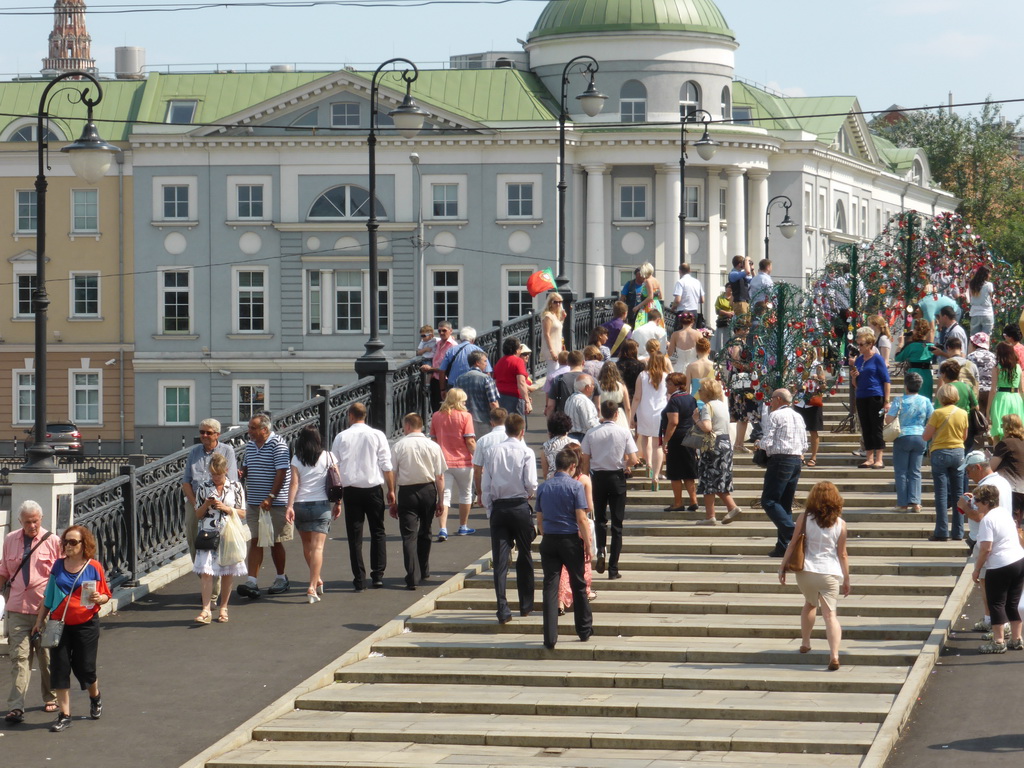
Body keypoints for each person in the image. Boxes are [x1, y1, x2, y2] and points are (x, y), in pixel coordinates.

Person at [33, 525, 111, 732]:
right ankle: (64, 715)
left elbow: (106, 595)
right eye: (65, 541)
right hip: (59, 625)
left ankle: (95, 697)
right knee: (59, 668)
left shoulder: (94, 567)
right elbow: (48, 597)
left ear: (84, 544)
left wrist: (98, 598)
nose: (68, 545)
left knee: (85, 667)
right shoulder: (58, 566)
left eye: (73, 542)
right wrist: (39, 621)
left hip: (86, 624)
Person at [778, 482, 850, 671]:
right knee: (830, 615)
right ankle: (834, 655)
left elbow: (793, 543)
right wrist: (847, 578)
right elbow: (842, 554)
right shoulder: (841, 524)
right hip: (830, 572)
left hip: (806, 570)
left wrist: (782, 566)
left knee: (810, 604)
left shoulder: (804, 518)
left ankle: (806, 642)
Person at [1, 500, 62, 724]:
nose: (32, 526)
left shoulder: (53, 541)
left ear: (41, 519)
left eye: (35, 521)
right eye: (27, 522)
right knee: (19, 658)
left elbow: (60, 576)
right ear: (20, 522)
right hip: (17, 608)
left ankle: (51, 696)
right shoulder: (10, 540)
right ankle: (16, 706)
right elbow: (4, 571)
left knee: (46, 657)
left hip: (43, 610)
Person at [332, 402, 395, 590]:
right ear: (364, 415)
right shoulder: (377, 435)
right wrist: (391, 490)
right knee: (378, 531)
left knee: (355, 535)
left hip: (350, 490)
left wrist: (337, 498)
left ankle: (359, 578)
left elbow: (334, 467)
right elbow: (386, 465)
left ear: (350, 416)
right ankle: (378, 574)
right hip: (373, 487)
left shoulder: (341, 437)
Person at [481, 414, 538, 624]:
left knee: (500, 561)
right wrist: (529, 492)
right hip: (519, 506)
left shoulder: (492, 451)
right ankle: (525, 604)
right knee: (525, 555)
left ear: (506, 430)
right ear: (522, 431)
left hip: (499, 508)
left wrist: (490, 509)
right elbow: (531, 482)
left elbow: (486, 484)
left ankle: (503, 609)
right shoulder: (526, 452)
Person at [536, 447, 594, 650]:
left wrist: (546, 534)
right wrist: (587, 543)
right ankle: (584, 629)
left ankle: (550, 636)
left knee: (550, 587)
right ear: (571, 466)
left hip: (550, 539)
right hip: (569, 539)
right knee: (578, 583)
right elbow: (581, 518)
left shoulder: (544, 487)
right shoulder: (575, 487)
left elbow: (540, 519)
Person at [181, 418, 238, 609]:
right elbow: (186, 482)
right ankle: (208, 581)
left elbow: (231, 481)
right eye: (202, 432)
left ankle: (213, 593)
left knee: (216, 544)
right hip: (196, 503)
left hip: (219, 504)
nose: (204, 435)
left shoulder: (227, 451)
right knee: (194, 541)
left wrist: (219, 503)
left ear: (217, 434)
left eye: (208, 432)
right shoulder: (194, 452)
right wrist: (196, 502)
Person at [581, 399, 639, 580]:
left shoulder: (591, 433)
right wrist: (625, 464)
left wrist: (585, 477)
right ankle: (613, 568)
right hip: (616, 477)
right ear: (616, 414)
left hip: (598, 477)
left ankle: (600, 552)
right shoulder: (623, 432)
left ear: (601, 414)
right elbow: (634, 459)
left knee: (599, 519)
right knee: (617, 524)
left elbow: (585, 459)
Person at [390, 413, 447, 591]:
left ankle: (412, 575)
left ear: (407, 426)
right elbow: (440, 476)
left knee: (409, 535)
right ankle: (424, 569)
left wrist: (391, 493)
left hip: (407, 491)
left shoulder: (399, 446)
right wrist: (441, 500)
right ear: (421, 426)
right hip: (428, 490)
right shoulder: (433, 446)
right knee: (426, 530)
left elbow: (393, 472)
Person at [238, 413, 292, 599]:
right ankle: (251, 581)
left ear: (264, 429)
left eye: (253, 428)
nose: (249, 431)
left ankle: (281, 578)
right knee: (256, 539)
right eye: (249, 427)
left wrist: (271, 497)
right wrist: (242, 472)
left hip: (275, 503)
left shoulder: (278, 444)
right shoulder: (251, 446)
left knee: (275, 541)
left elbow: (282, 472)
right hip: (254, 501)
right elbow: (247, 467)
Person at [285, 425, 340, 603]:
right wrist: (338, 503)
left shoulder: (296, 458)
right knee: (318, 548)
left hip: (301, 505)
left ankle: (317, 580)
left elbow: (293, 484)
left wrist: (290, 506)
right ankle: (311, 586)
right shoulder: (329, 456)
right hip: (320, 505)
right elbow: (337, 482)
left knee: (307, 547)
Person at [967, 484, 1024, 653]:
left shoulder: (987, 520)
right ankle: (1017, 638)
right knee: (1012, 603)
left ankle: (998, 642)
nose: (974, 504)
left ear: (985, 501)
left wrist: (977, 569)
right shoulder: (1004, 513)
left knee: (996, 603)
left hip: (1000, 565)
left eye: (976, 500)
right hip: (1019, 560)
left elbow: (986, 548)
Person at [193, 453, 248, 622]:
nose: (215, 477)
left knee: (227, 572)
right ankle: (206, 609)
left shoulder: (236, 487)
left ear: (226, 470)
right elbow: (198, 514)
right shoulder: (203, 487)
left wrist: (226, 508)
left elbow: (243, 513)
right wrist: (207, 504)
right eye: (212, 474)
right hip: (208, 534)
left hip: (228, 533)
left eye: (218, 474)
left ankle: (223, 607)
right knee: (206, 572)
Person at [759, 389, 808, 557]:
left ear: (778, 399)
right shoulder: (798, 416)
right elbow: (804, 443)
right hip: (796, 459)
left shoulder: (775, 416)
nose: (770, 402)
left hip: (780, 459)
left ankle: (793, 532)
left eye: (771, 398)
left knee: (769, 501)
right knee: (785, 504)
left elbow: (768, 439)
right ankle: (783, 546)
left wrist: (759, 445)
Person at [692, 379, 742, 524]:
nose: (698, 392)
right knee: (719, 479)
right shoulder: (721, 405)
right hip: (725, 443)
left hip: (713, 446)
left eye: (700, 389)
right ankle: (718, 512)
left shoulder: (708, 407)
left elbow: (707, 427)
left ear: (707, 392)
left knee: (709, 480)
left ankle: (715, 514)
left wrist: (696, 419)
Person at [923, 383, 969, 541]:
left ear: (941, 397)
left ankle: (941, 531)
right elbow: (964, 436)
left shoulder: (937, 413)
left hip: (940, 452)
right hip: (958, 452)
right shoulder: (963, 413)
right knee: (958, 493)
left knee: (941, 494)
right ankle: (958, 531)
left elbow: (926, 436)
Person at [431, 387, 477, 541]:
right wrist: (477, 457)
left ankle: (442, 529)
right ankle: (463, 526)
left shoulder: (436, 416)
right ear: (459, 401)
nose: (465, 402)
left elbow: (434, 440)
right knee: (466, 494)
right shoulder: (466, 416)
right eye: (463, 399)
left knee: (444, 495)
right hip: (463, 461)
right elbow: (469, 441)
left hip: (443, 462)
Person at [884, 372, 934, 513]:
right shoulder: (925, 400)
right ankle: (916, 502)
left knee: (901, 471)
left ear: (906, 386)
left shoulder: (899, 400)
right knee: (915, 471)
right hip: (920, 436)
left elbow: (889, 420)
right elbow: (932, 418)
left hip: (903, 436)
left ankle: (902, 503)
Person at [557, 442, 597, 612]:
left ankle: (561, 599)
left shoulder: (556, 479)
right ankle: (585, 591)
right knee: (585, 561)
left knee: (563, 567)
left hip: (562, 524)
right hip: (580, 524)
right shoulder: (584, 479)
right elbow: (589, 507)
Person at [850, 327, 890, 469]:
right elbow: (856, 384)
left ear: (870, 345)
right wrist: (854, 378)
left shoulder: (877, 359)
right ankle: (869, 457)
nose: (859, 347)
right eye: (858, 344)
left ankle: (879, 458)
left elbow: (886, 380)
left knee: (876, 427)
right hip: (862, 396)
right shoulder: (859, 360)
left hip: (875, 395)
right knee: (865, 427)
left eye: (861, 344)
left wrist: (886, 401)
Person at [631, 339, 670, 484]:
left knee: (645, 439)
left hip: (644, 411)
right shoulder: (667, 377)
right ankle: (656, 475)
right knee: (657, 445)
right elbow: (669, 397)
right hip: (661, 412)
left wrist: (631, 415)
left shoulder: (642, 375)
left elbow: (636, 397)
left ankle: (648, 465)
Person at [661, 372, 699, 512]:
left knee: (675, 473)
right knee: (688, 471)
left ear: (678, 385)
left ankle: (678, 502)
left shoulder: (674, 400)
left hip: (677, 438)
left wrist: (665, 441)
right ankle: (693, 500)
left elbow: (673, 422)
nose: (667, 386)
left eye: (669, 384)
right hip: (689, 436)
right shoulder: (690, 398)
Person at [794, 347, 827, 467]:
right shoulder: (797, 365)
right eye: (802, 353)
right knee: (798, 429)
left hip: (812, 401)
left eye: (806, 353)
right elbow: (793, 382)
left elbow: (824, 385)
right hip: (799, 401)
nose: (804, 356)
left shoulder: (817, 366)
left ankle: (813, 457)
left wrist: (817, 380)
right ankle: (801, 454)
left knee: (813, 430)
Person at [727, 323, 757, 452]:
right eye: (745, 327)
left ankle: (739, 443)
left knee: (743, 412)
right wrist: (749, 368)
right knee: (743, 410)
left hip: (740, 378)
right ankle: (738, 443)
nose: (747, 330)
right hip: (741, 379)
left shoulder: (739, 341)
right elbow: (735, 360)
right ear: (738, 329)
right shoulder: (737, 342)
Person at [991, 413, 1024, 525]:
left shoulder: (1006, 443)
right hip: (1022, 487)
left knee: (1012, 522)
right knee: (1019, 521)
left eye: (1002, 425)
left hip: (1012, 488)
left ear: (1007, 427)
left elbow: (991, 467)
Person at [987, 342, 1024, 441]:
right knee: (1017, 429)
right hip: (1016, 398)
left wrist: (988, 410)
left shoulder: (997, 368)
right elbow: (1022, 389)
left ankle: (999, 454)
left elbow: (993, 390)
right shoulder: (1018, 367)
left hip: (1001, 398)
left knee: (998, 432)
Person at [456, 349, 500, 428]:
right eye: (485, 361)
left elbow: (455, 400)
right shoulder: (486, 378)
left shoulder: (459, 379)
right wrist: (498, 421)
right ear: (477, 363)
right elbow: (493, 403)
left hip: (463, 420)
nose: (486, 364)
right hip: (483, 421)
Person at [473, 407, 508, 505]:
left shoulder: (482, 441)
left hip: (490, 484)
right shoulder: (515, 438)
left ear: (492, 422)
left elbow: (477, 470)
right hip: (512, 485)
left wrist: (479, 493)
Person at [420, 321, 456, 413]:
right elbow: (427, 339)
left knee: (446, 408)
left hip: (446, 380)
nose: (441, 333)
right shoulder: (438, 343)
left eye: (444, 330)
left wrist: (430, 369)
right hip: (435, 379)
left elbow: (448, 368)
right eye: (439, 331)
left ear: (450, 331)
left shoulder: (453, 346)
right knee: (435, 407)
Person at [439, 326, 489, 391]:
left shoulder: (451, 350)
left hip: (454, 386)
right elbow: (487, 372)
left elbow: (442, 371)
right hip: (474, 386)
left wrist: (442, 389)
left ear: (460, 338)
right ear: (473, 339)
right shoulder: (479, 351)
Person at [895, 318, 935, 399]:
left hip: (913, 373)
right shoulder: (931, 346)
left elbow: (898, 358)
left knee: (911, 398)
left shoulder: (911, 345)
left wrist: (900, 344)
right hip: (927, 374)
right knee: (926, 398)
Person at [492, 336, 533, 416]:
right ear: (517, 350)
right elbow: (521, 383)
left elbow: (495, 381)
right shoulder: (518, 362)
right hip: (515, 398)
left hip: (501, 397)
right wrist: (527, 401)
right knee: (517, 425)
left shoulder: (499, 362)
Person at [541, 412, 577, 480]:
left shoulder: (546, 445)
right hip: (572, 480)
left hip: (552, 480)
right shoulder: (575, 443)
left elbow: (545, 472)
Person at [564, 375, 600, 441]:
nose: (594, 387)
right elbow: (590, 423)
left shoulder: (570, 399)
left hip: (571, 436)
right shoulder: (584, 401)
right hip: (582, 437)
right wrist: (602, 429)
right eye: (592, 384)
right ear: (587, 387)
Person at [597, 360, 631, 429]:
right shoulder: (622, 386)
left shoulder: (598, 385)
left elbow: (597, 405)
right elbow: (628, 408)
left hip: (603, 413)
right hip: (618, 414)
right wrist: (629, 422)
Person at [670, 262, 705, 327]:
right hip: (694, 312)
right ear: (690, 271)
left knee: (680, 334)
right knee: (692, 334)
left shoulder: (680, 282)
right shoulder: (697, 282)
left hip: (683, 312)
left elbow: (677, 300)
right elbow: (702, 300)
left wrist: (673, 308)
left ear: (679, 271)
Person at [968, 331, 996, 411]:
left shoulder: (970, 356)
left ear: (974, 343)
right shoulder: (993, 356)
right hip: (990, 391)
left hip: (976, 391)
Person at [633, 261, 663, 328]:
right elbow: (660, 296)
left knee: (643, 324)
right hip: (657, 305)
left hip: (649, 306)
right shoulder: (656, 280)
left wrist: (638, 306)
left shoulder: (648, 281)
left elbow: (650, 297)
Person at [968, 265, 995, 337]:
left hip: (975, 312)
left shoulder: (972, 284)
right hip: (987, 313)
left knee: (974, 337)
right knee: (986, 337)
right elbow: (990, 296)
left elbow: (971, 296)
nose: (990, 276)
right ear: (986, 274)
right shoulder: (989, 285)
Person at [541, 292, 566, 363]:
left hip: (558, 346)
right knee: (553, 371)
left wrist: (562, 319)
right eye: (555, 302)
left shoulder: (555, 315)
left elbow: (557, 329)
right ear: (550, 303)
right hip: (552, 349)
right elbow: (547, 334)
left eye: (560, 302)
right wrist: (552, 351)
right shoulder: (548, 316)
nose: (558, 304)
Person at [714, 283, 735, 351]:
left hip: (732, 322)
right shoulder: (720, 298)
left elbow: (738, 308)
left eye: (732, 287)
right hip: (722, 322)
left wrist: (733, 313)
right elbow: (717, 310)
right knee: (721, 340)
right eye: (729, 287)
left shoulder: (735, 298)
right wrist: (727, 313)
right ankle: (720, 353)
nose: (731, 288)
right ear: (726, 288)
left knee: (731, 338)